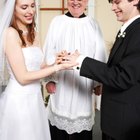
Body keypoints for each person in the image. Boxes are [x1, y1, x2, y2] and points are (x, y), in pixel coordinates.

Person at [60, 0, 140, 139]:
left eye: (117, 2)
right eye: (112, 3)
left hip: (124, 123)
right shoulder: (129, 29)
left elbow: (123, 77)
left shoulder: (138, 32)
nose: (113, 8)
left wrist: (81, 60)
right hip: (116, 119)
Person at [0, 0, 74, 140]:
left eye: (33, 6)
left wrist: (55, 60)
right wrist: (57, 67)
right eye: (24, 7)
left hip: (35, 99)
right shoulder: (10, 34)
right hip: (18, 101)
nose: (30, 11)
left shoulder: (34, 32)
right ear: (13, 9)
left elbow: (38, 67)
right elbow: (22, 77)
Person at [43, 0, 107, 140]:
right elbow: (49, 50)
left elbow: (100, 54)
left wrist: (98, 82)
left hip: (84, 85)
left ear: (87, 1)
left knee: (82, 133)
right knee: (58, 130)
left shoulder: (93, 24)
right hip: (62, 84)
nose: (76, 2)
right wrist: (49, 79)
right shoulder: (57, 22)